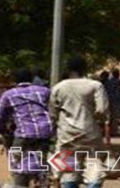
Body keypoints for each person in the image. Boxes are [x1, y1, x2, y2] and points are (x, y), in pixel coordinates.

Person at [50, 57, 109, 188]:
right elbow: (101, 110)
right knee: (94, 163)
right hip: (90, 131)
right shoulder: (95, 85)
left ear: (68, 69)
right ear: (85, 69)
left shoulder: (58, 87)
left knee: (68, 169)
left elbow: (53, 113)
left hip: (67, 133)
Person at [0, 68, 52, 188]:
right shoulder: (45, 91)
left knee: (18, 165)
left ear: (15, 80)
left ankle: (20, 182)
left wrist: (0, 129)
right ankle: (43, 179)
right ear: (31, 79)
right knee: (43, 161)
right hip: (46, 132)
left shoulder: (8, 94)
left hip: (24, 134)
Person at [104, 69, 120, 136]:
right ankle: (114, 132)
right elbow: (117, 92)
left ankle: (107, 131)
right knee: (114, 117)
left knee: (109, 117)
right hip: (115, 101)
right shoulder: (117, 81)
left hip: (108, 100)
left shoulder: (108, 82)